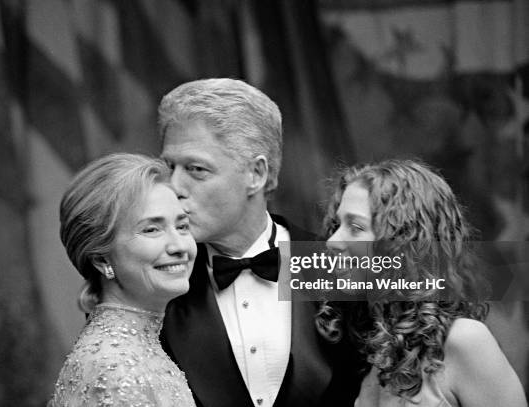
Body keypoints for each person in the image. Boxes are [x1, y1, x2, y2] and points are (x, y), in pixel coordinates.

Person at [158, 78, 362, 407]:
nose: (173, 186)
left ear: (256, 174)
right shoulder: (148, 283)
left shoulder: (343, 264)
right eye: (169, 167)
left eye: (196, 169)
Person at [317, 159, 527, 407]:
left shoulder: (463, 340)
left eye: (355, 226)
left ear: (402, 244)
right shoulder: (368, 353)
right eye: (336, 225)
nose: (332, 241)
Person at [49, 153, 197, 407]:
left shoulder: (134, 351)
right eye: (152, 229)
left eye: (182, 226)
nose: (179, 246)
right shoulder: (116, 368)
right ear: (102, 260)